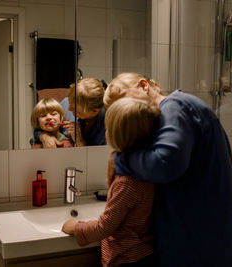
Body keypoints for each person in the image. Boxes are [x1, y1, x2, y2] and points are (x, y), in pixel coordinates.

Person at [103, 72, 232, 267]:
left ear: (144, 86)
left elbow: (165, 165)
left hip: (208, 247)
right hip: (201, 242)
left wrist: (121, 160)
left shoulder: (176, 106)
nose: (122, 110)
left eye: (123, 101)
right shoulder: (165, 117)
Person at [62, 97, 160, 267]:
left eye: (108, 127)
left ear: (116, 135)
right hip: (144, 252)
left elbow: (104, 227)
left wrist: (75, 228)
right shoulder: (146, 169)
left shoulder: (127, 182)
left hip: (128, 258)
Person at [38, 78, 107, 147]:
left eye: (75, 109)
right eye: (70, 103)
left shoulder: (107, 125)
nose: (68, 108)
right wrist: (43, 135)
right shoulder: (66, 103)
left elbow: (98, 156)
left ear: (95, 111)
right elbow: (38, 126)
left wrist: (80, 141)